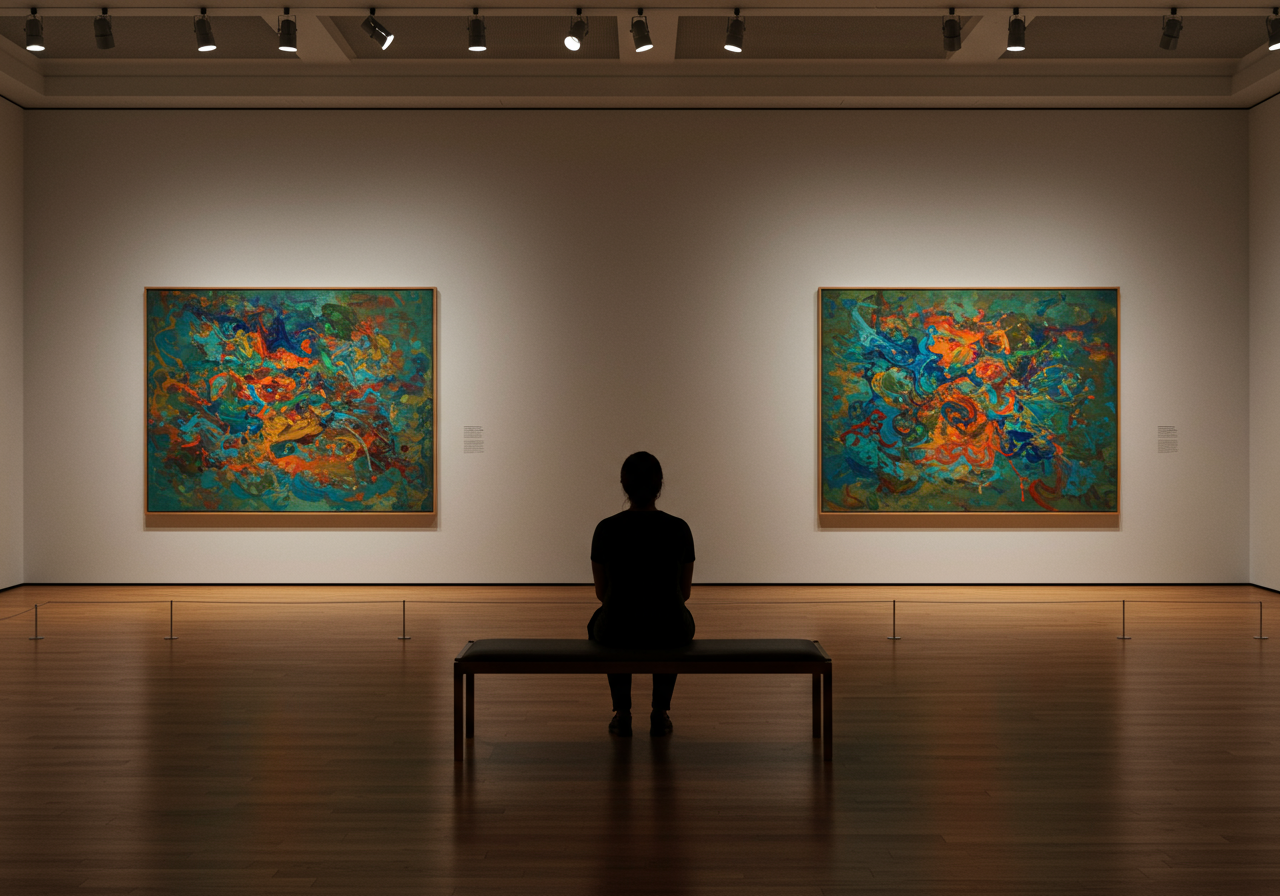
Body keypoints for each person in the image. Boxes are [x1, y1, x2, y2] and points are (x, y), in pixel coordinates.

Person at [588, 451, 696, 738]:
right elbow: (683, 593)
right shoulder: (679, 529)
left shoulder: (606, 529)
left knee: (606, 619)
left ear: (624, 484)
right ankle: (660, 711)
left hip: (617, 630)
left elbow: (603, 593)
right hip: (669, 630)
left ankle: (622, 712)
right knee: (674, 616)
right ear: (659, 484)